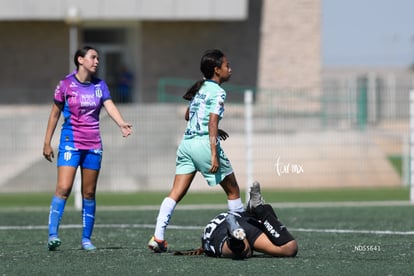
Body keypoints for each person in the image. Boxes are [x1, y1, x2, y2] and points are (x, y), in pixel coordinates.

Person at [148, 49, 244, 253]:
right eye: (227, 65)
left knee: (175, 193)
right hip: (202, 144)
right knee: (233, 190)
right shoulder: (218, 91)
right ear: (217, 70)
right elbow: (211, 121)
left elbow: (187, 115)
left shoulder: (201, 88)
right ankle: (242, 235)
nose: (230, 69)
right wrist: (213, 152)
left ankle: (158, 237)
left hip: (186, 144)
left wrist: (213, 128)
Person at [43, 46, 133, 251]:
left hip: (93, 144)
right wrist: (47, 142)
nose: (97, 61)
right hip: (70, 143)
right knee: (63, 188)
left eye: (98, 58)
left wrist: (121, 123)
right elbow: (54, 114)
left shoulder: (100, 85)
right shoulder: (65, 84)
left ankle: (86, 239)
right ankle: (52, 235)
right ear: (80, 60)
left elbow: (109, 105)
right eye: (93, 57)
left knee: (89, 193)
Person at [200, 182, 298, 259]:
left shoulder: (210, 236)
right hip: (244, 220)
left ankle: (234, 238)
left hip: (218, 234)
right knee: (289, 248)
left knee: (244, 251)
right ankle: (258, 209)